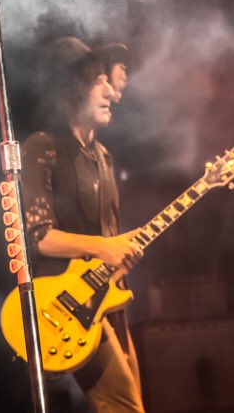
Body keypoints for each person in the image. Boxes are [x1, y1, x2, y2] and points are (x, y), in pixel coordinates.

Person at [21, 36, 144, 412]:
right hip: (64, 304)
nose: (111, 92)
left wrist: (119, 251)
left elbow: (107, 237)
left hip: (106, 297)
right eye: (97, 82)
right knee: (124, 406)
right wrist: (102, 247)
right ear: (72, 89)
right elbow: (38, 237)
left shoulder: (103, 156)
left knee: (131, 402)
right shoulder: (42, 147)